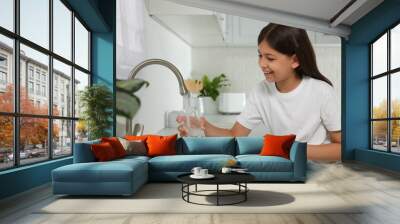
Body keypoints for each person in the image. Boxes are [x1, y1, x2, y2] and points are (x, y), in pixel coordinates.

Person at [177, 23, 341, 161]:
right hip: (285, 169)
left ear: (295, 60)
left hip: (320, 173)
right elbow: (235, 135)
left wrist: (291, 149)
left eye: (270, 58)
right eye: (260, 55)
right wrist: (203, 126)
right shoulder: (260, 92)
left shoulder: (322, 92)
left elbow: (341, 149)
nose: (262, 64)